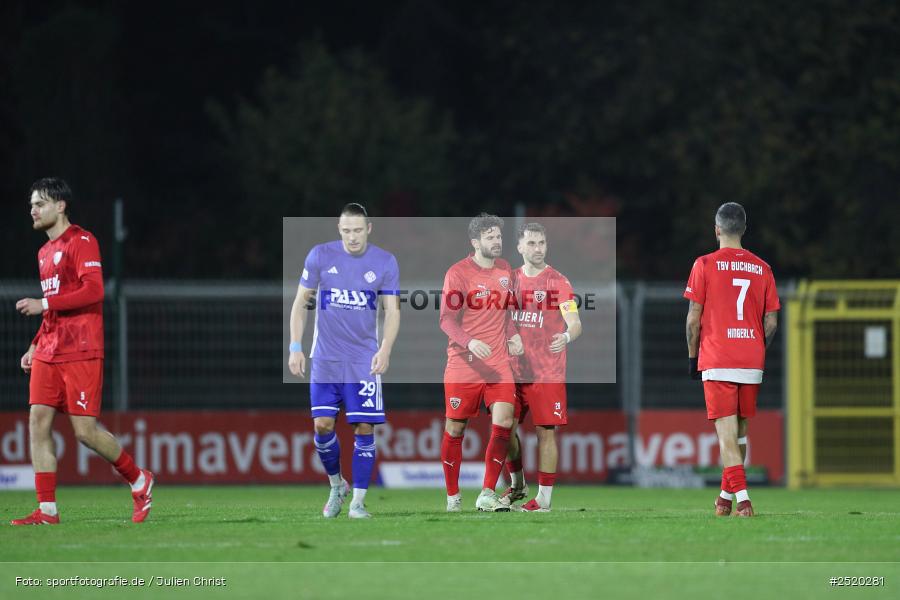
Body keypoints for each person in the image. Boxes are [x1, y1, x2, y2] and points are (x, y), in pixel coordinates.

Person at [12, 177, 154, 525]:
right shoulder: (43, 253)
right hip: (49, 349)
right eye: (31, 204)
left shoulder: (82, 241)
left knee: (84, 432)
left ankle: (139, 479)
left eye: (40, 203)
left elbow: (94, 292)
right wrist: (34, 344)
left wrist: (43, 302)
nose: (33, 209)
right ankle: (47, 510)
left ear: (60, 206)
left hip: (81, 349)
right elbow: (54, 310)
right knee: (37, 421)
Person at [288, 203, 400, 519]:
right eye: (346, 231)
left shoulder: (385, 262)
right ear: (339, 230)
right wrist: (295, 346)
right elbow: (300, 304)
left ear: (369, 229)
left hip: (363, 360)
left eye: (358, 230)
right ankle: (337, 485)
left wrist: (386, 349)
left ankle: (358, 503)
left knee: (364, 427)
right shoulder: (320, 256)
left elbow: (392, 311)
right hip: (325, 358)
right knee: (322, 425)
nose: (352, 237)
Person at [684, 202, 779, 517]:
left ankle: (744, 501)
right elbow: (772, 322)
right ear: (744, 229)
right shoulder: (763, 267)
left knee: (726, 437)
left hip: (718, 355)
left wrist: (692, 355)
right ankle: (724, 499)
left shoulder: (704, 264)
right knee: (739, 434)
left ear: (717, 229)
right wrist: (756, 347)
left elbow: (693, 320)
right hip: (751, 357)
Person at [439, 213, 523, 512]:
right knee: (456, 429)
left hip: (499, 363)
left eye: (498, 236)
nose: (496, 241)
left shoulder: (506, 270)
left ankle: (487, 491)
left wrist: (513, 336)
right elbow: (447, 320)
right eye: (490, 237)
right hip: (464, 363)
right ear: (475, 242)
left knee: (504, 422)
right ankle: (453, 496)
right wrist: (469, 341)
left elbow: (508, 314)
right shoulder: (458, 273)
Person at [503, 223, 581, 512]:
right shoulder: (509, 280)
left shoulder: (558, 282)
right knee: (504, 427)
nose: (538, 249)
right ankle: (518, 483)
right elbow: (500, 320)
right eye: (532, 243)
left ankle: (544, 499)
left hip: (547, 372)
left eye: (542, 243)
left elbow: (574, 322)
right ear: (520, 247)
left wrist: (566, 335)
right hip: (513, 371)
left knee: (545, 433)